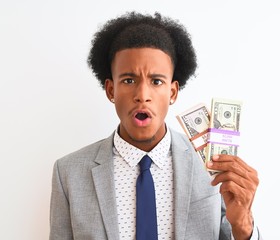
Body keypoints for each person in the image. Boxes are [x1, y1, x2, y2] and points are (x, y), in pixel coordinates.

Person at [49, 11, 261, 240]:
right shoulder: (68, 173)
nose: (142, 95)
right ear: (111, 90)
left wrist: (244, 227)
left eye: (156, 81)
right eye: (129, 80)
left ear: (172, 92)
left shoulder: (212, 161)